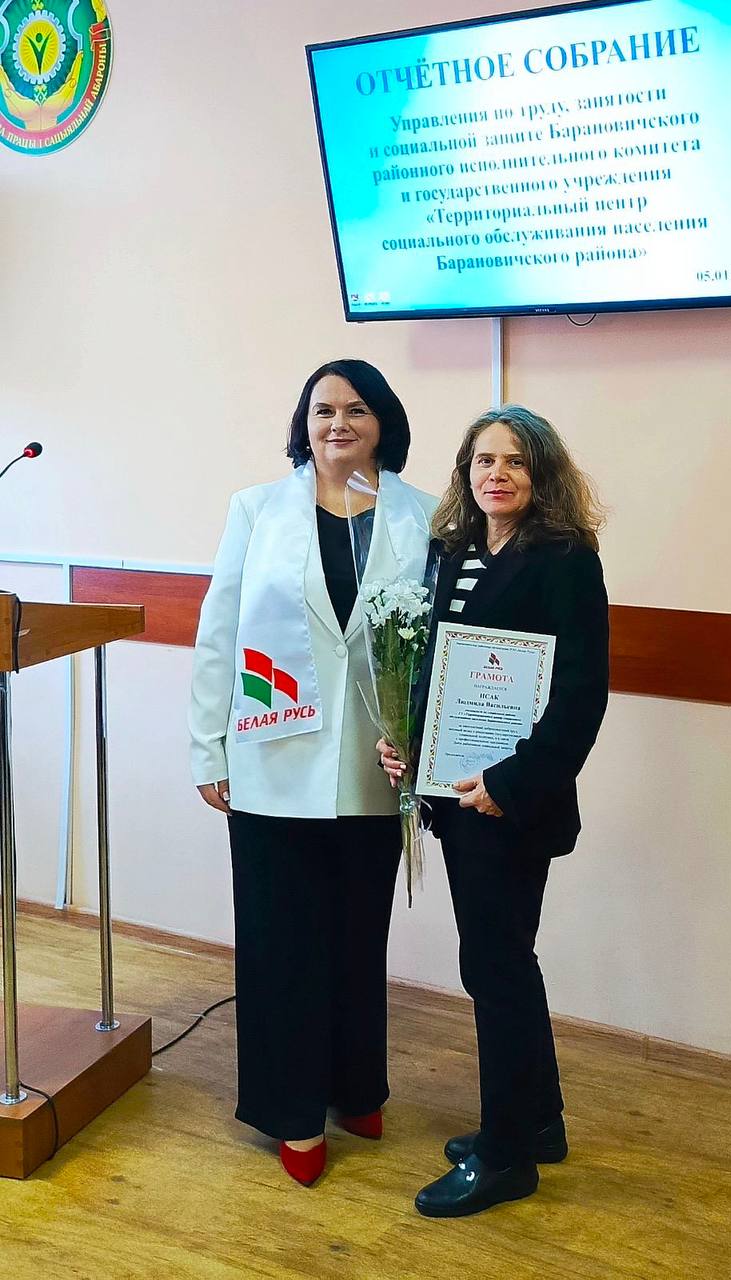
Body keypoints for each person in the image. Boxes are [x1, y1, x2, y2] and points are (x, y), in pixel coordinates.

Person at [190, 359, 436, 1186]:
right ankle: (293, 1112)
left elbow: (440, 641)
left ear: (383, 422)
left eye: (357, 409)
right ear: (304, 423)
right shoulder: (257, 510)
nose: (338, 423)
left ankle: (356, 1086)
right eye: (323, 409)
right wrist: (207, 747)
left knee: (359, 937)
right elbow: (219, 631)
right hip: (272, 758)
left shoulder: (423, 515)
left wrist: (431, 747)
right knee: (282, 944)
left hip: (374, 764)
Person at [379, 404, 609, 1218]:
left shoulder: (566, 560)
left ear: (541, 473)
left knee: (496, 967)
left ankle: (506, 1156)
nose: (497, 474)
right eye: (484, 460)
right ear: (465, 472)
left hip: (511, 805)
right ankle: (537, 1122)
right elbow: (434, 665)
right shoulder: (454, 551)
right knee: (501, 962)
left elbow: (580, 696)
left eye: (514, 460)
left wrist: (511, 784)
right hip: (454, 794)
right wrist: (409, 744)